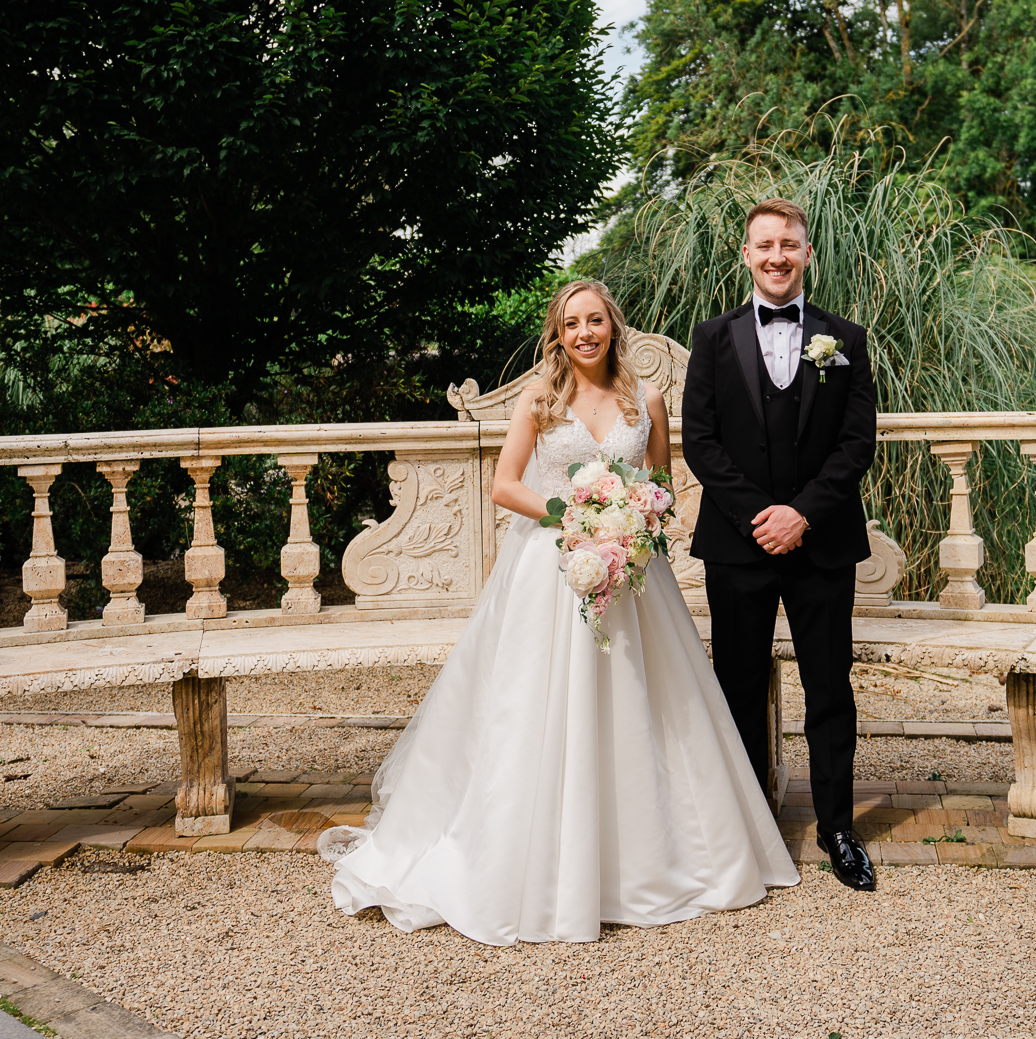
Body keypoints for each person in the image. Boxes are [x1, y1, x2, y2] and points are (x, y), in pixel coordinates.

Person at [320, 279, 798, 945]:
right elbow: (504, 484)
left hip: (633, 574)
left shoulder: (649, 400)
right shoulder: (540, 402)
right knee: (539, 709)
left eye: (595, 321)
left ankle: (647, 858)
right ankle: (543, 861)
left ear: (613, 327)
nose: (584, 333)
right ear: (558, 333)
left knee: (647, 705)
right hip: (556, 569)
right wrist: (575, 515)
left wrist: (634, 520)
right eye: (571, 323)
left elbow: (660, 485)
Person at [680, 197, 880, 891]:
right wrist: (759, 516)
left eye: (789, 245)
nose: (776, 257)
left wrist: (802, 515)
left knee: (830, 688)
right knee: (736, 688)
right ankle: (747, 831)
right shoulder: (712, 338)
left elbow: (857, 446)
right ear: (746, 254)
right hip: (737, 547)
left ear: (807, 254)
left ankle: (838, 830)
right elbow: (700, 442)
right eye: (765, 245)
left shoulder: (845, 340)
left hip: (822, 544)